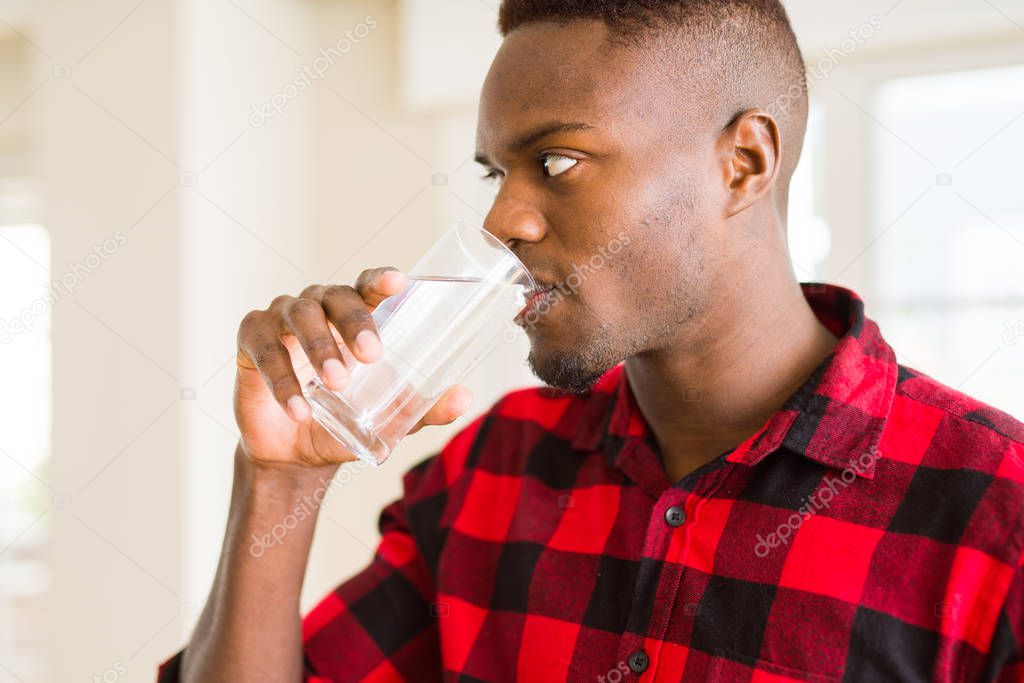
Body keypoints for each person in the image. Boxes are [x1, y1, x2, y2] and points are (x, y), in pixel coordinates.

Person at [159, 1, 1024, 680]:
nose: (502, 220)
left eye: (559, 162)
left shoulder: (999, 515)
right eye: (496, 173)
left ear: (745, 163)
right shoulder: (491, 472)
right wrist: (281, 476)